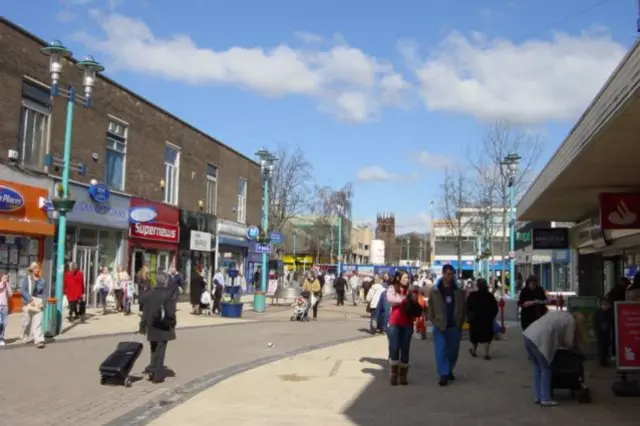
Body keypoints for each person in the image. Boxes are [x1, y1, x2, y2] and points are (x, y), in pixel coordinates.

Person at [522, 310, 582, 406]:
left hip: (528, 335)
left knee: (537, 367)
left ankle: (538, 396)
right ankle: (546, 398)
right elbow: (569, 342)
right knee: (546, 369)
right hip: (539, 339)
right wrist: (576, 350)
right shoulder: (571, 321)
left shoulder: (559, 314)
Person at [427, 264, 466, 386]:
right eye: (448, 274)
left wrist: (461, 319)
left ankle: (449, 369)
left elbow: (463, 306)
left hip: (454, 325)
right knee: (441, 350)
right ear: (443, 274)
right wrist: (433, 319)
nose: (450, 276)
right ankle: (443, 374)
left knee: (453, 351)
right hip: (440, 325)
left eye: (452, 274)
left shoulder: (458, 290)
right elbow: (430, 307)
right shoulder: (435, 290)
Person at [139, 272, 177, 384]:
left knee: (153, 348)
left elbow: (145, 311)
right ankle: (157, 375)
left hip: (152, 324)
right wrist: (173, 323)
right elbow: (171, 312)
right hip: (164, 325)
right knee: (161, 350)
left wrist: (142, 325)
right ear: (165, 282)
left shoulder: (149, 294)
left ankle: (153, 369)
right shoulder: (169, 294)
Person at [386, 270, 419, 386]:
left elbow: (416, 301)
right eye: (404, 277)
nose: (406, 279)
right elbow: (390, 299)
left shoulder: (411, 289)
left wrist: (414, 297)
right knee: (394, 348)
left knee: (405, 349)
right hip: (394, 322)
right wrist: (403, 299)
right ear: (398, 278)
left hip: (407, 323)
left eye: (407, 278)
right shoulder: (392, 288)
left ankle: (403, 376)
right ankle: (393, 375)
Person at [467, 278, 499, 360]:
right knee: (487, 337)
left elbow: (467, 307)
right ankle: (486, 354)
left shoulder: (472, 295)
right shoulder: (490, 296)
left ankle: (474, 351)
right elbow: (495, 308)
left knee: (475, 336)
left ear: (477, 286)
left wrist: (469, 317)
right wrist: (490, 316)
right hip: (486, 320)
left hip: (475, 320)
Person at [20, 262, 46, 348]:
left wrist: (42, 303)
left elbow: (43, 293)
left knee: (38, 322)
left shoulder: (42, 280)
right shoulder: (27, 279)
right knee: (27, 322)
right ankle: (25, 336)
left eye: (37, 268)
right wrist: (30, 299)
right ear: (31, 270)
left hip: (38, 303)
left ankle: (38, 340)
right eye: (35, 268)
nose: (37, 270)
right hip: (28, 303)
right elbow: (23, 290)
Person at [593, 298, 614, 366]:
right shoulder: (600, 312)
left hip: (604, 333)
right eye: (605, 304)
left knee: (605, 347)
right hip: (601, 333)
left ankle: (604, 360)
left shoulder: (607, 312)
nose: (606, 306)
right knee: (602, 347)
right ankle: (602, 361)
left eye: (607, 304)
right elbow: (602, 324)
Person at [0, 273, 13, 346]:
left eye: (7, 278)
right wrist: (2, 283)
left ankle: (2, 336)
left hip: (5, 306)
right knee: (0, 323)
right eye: (4, 277)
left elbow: (11, 295)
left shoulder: (7, 285)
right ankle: (1, 338)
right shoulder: (1, 284)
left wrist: (7, 286)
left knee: (5, 322)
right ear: (1, 277)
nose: (6, 279)